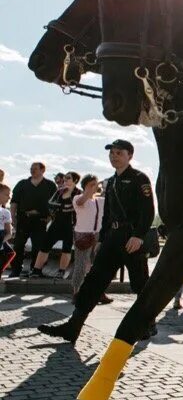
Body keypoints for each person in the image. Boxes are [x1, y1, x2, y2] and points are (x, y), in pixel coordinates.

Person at [38, 140, 155, 343]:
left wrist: (139, 236)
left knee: (140, 283)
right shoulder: (110, 182)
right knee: (93, 281)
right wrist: (102, 239)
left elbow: (148, 211)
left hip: (131, 238)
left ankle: (147, 324)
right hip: (112, 238)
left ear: (130, 156)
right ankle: (73, 326)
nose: (114, 156)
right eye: (112, 153)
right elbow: (107, 214)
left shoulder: (139, 179)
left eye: (119, 153)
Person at [8, 162, 57, 278]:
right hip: (23, 219)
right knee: (18, 245)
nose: (32, 170)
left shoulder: (50, 185)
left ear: (42, 170)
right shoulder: (22, 184)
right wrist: (13, 218)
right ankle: (16, 269)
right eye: (31, 168)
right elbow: (14, 202)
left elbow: (54, 205)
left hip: (40, 220)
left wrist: (49, 218)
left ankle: (35, 270)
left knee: (38, 246)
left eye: (35, 168)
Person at [28, 171, 81, 279]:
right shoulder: (60, 191)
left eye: (68, 178)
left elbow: (76, 207)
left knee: (66, 248)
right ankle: (36, 270)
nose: (65, 180)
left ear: (75, 180)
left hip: (70, 225)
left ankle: (61, 272)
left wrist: (63, 206)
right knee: (45, 246)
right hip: (56, 223)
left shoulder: (79, 193)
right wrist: (64, 206)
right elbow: (50, 204)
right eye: (65, 178)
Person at [69, 174, 106, 303]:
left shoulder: (100, 200)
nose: (95, 187)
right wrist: (88, 191)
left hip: (97, 234)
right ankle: (76, 292)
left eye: (96, 184)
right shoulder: (78, 198)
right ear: (85, 186)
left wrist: (105, 188)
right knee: (81, 263)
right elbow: (80, 202)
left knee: (99, 265)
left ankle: (99, 292)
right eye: (92, 184)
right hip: (83, 234)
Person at [0, 184, 14, 274]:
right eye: (6, 194)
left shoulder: (5, 212)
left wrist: (1, 241)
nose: (9, 198)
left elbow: (9, 233)